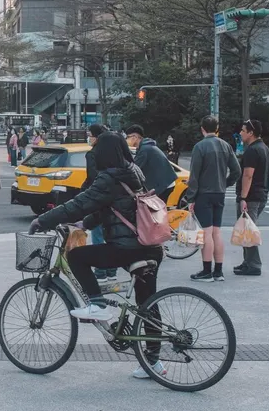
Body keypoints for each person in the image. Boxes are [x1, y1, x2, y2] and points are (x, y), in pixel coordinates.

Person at [30, 132, 166, 378]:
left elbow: (80, 203)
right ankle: (153, 362)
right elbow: (111, 207)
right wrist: (86, 225)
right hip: (150, 246)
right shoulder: (133, 171)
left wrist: (43, 220)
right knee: (147, 304)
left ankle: (98, 304)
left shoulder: (109, 177)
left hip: (128, 247)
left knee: (77, 257)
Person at [185, 115, 241, 282]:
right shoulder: (226, 146)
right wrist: (225, 183)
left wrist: (190, 198)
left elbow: (194, 176)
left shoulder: (199, 147)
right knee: (217, 232)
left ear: (202, 129)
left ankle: (206, 270)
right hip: (220, 193)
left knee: (206, 233)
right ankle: (218, 271)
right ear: (217, 128)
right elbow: (236, 171)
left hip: (204, 194)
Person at [234, 119, 269, 276]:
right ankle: (247, 262)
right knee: (246, 229)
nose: (240, 133)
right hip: (260, 194)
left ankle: (254, 265)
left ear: (251, 133)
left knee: (248, 230)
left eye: (243, 130)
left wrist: (243, 197)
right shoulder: (264, 148)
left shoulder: (252, 151)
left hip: (251, 197)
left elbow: (248, 175)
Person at [83, 124, 116, 282]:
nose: (89, 138)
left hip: (97, 198)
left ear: (96, 137)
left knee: (97, 236)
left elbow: (92, 177)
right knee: (110, 235)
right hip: (113, 199)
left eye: (90, 135)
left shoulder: (92, 154)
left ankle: (101, 272)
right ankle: (112, 271)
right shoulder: (112, 153)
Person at [125, 125, 178, 205]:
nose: (126, 140)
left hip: (163, 185)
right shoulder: (146, 146)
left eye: (128, 137)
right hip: (166, 183)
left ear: (135, 137)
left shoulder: (145, 149)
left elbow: (134, 169)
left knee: (155, 212)